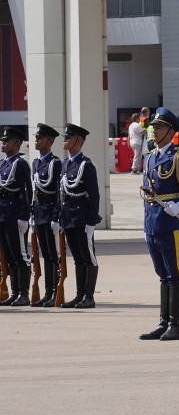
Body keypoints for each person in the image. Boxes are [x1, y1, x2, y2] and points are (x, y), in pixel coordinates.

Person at [138, 108, 179, 341]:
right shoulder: (149, 157)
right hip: (152, 222)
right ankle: (163, 322)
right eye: (152, 127)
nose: (153, 130)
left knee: (175, 273)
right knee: (162, 273)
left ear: (170, 131)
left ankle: (175, 325)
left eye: (158, 127)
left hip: (171, 222)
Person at [57, 124, 103, 309]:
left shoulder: (86, 165)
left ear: (78, 140)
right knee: (77, 258)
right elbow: (62, 193)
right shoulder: (65, 164)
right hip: (69, 217)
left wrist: (92, 220)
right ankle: (79, 295)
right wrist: (60, 217)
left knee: (88, 256)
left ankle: (89, 296)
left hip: (83, 218)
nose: (65, 140)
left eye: (68, 137)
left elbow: (94, 194)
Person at [29, 124, 62, 307]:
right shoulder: (36, 163)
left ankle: (54, 292)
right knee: (43, 254)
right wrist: (33, 212)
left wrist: (56, 216)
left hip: (50, 212)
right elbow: (35, 191)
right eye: (36, 137)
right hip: (40, 211)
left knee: (52, 255)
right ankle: (47, 292)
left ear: (49, 141)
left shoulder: (55, 163)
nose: (37, 141)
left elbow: (58, 191)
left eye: (40, 138)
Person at [0, 127, 32, 306]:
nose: (3, 143)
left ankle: (24, 293)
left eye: (7, 140)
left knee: (20, 255)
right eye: (2, 140)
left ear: (17, 143)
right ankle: (14, 292)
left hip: (14, 214)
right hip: (2, 214)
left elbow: (27, 191)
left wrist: (24, 216)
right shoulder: (2, 163)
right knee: (8, 255)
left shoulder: (20, 164)